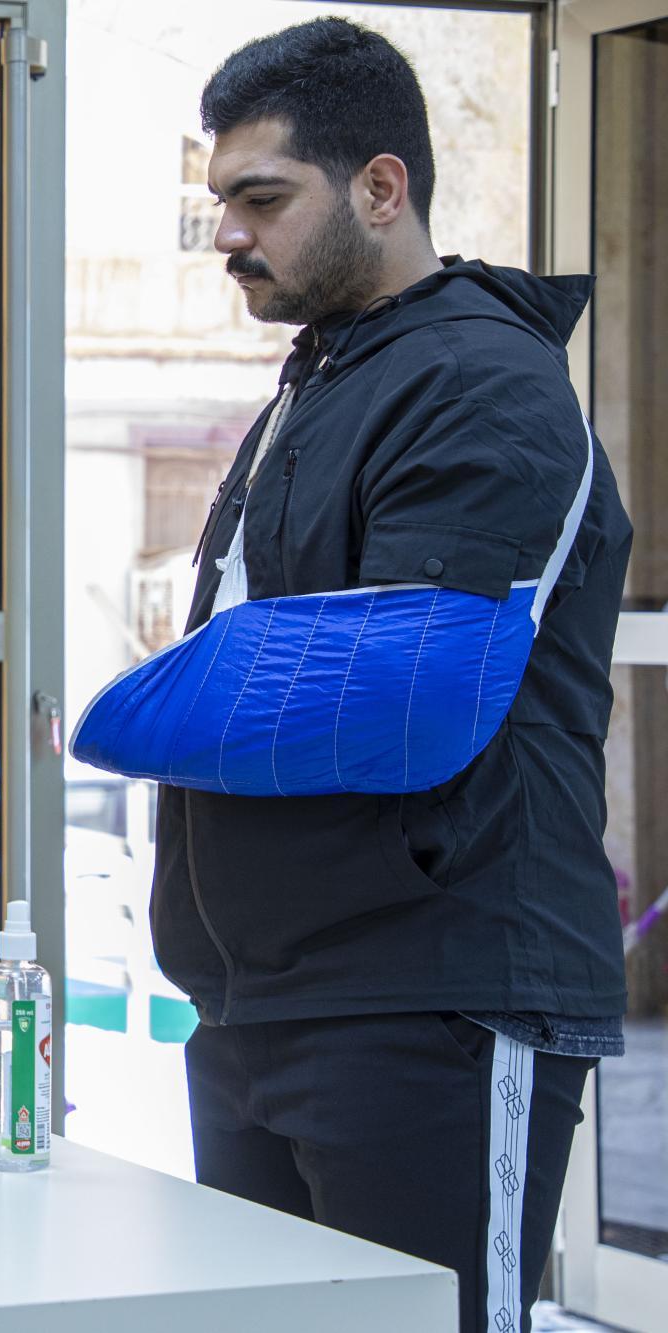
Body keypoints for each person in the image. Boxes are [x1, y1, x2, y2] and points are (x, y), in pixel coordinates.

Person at [153, 20, 631, 1333]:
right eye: (220, 202)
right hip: (264, 999)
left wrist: (162, 709)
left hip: (430, 999)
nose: (229, 235)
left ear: (380, 187)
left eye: (262, 199)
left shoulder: (480, 386)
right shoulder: (322, 383)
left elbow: (389, 697)